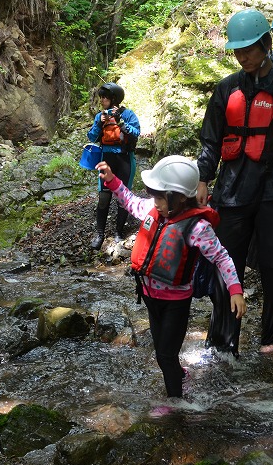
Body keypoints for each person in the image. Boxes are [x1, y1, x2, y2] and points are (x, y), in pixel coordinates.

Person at [196, 8, 273, 354]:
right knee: (226, 261)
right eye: (237, 51)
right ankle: (223, 339)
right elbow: (211, 139)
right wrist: (203, 178)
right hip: (234, 188)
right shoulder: (226, 89)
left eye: (249, 49)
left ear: (266, 44)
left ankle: (270, 337)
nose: (243, 57)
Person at [95, 156, 246, 398]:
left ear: (178, 198)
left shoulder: (197, 228)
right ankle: (179, 374)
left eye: (159, 197)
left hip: (175, 303)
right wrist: (112, 181)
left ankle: (176, 405)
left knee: (165, 355)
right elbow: (130, 201)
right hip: (149, 296)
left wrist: (235, 290)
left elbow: (221, 257)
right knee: (163, 353)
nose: (154, 202)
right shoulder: (152, 210)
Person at [87, 82, 141, 248]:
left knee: (123, 198)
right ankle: (100, 234)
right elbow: (91, 137)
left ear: (114, 99)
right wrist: (98, 124)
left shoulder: (128, 114)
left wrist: (121, 123)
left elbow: (136, 133)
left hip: (124, 159)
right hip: (106, 159)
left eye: (105, 97)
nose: (102, 100)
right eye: (101, 97)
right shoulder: (100, 116)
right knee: (104, 197)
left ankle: (118, 232)